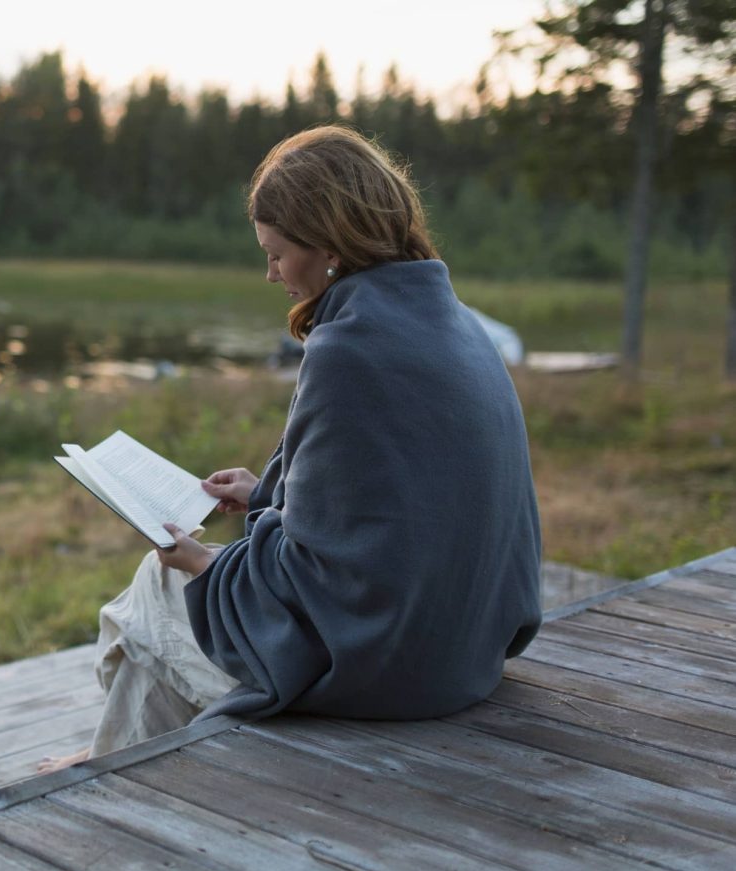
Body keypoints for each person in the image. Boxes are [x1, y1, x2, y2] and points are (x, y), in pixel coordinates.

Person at [39, 125, 542, 774]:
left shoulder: (349, 350)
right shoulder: (456, 323)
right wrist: (270, 494)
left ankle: (113, 776)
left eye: (276, 254)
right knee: (166, 600)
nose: (269, 272)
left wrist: (202, 564)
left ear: (329, 244)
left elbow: (325, 574)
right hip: (465, 644)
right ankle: (117, 756)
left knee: (156, 583)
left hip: (397, 663)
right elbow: (385, 504)